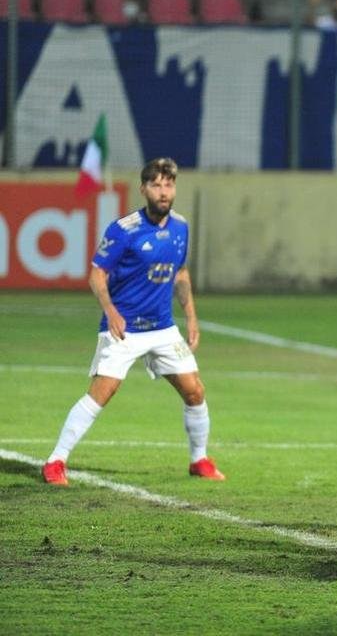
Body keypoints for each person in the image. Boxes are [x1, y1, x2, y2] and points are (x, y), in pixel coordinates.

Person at [42, 158, 224, 486]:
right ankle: (56, 460)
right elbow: (97, 274)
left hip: (163, 328)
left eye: (168, 184)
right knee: (102, 392)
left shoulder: (181, 227)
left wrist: (192, 317)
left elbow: (180, 273)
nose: (163, 191)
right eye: (156, 185)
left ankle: (199, 459)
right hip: (124, 328)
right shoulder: (124, 230)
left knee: (195, 391)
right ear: (144, 189)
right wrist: (111, 310)